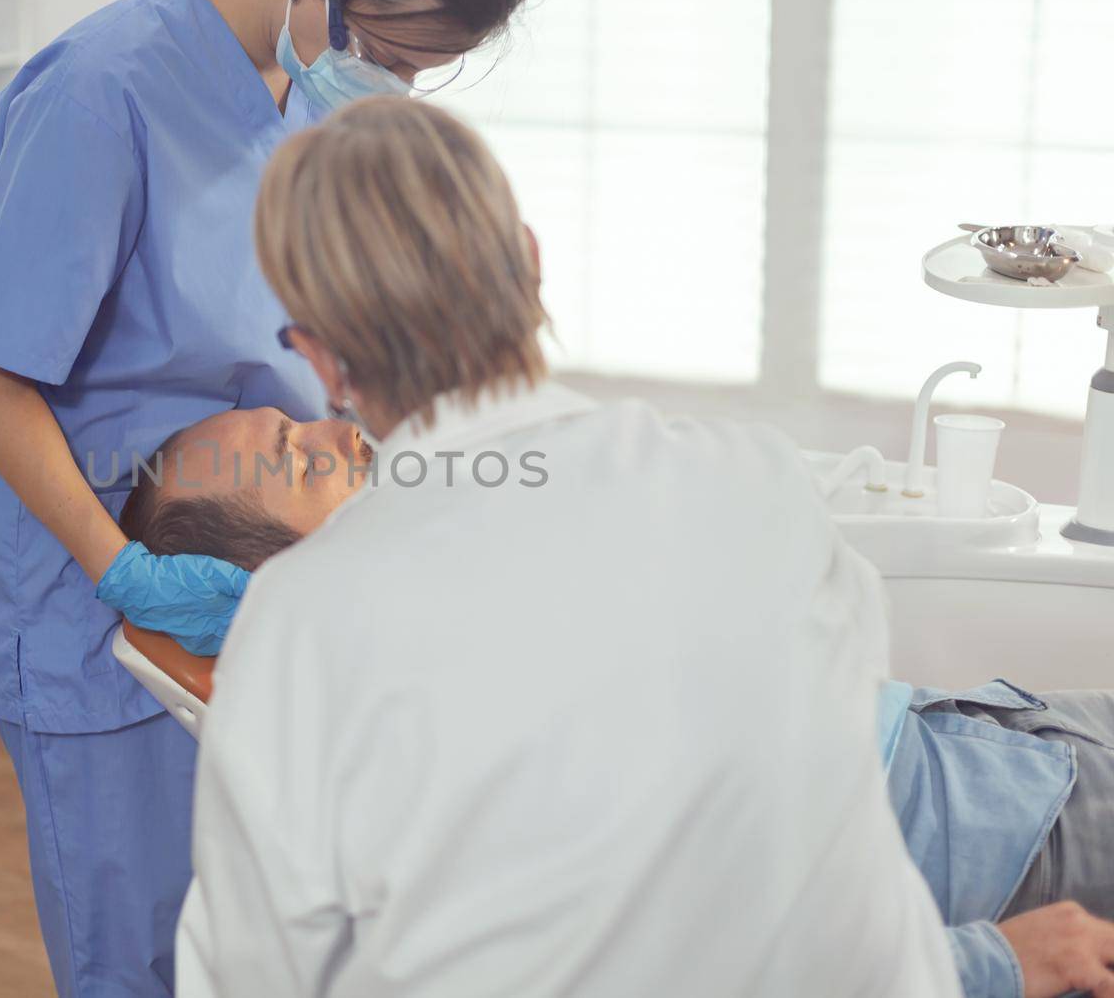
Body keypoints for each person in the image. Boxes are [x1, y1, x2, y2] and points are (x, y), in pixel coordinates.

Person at [171, 96, 961, 996]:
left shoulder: (301, 626)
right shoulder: (751, 475)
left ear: (321, 360)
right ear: (532, 265)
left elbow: (253, 970)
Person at [0, 0, 537, 992]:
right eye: (392, 54)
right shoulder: (99, 92)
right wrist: (124, 574)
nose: (391, 88)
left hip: (279, 593)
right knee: (147, 956)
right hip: (100, 611)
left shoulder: (307, 78)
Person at [124, 405, 1114, 998]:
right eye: (304, 460)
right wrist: (983, 966)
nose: (345, 432)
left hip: (992, 742)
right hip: (1006, 841)